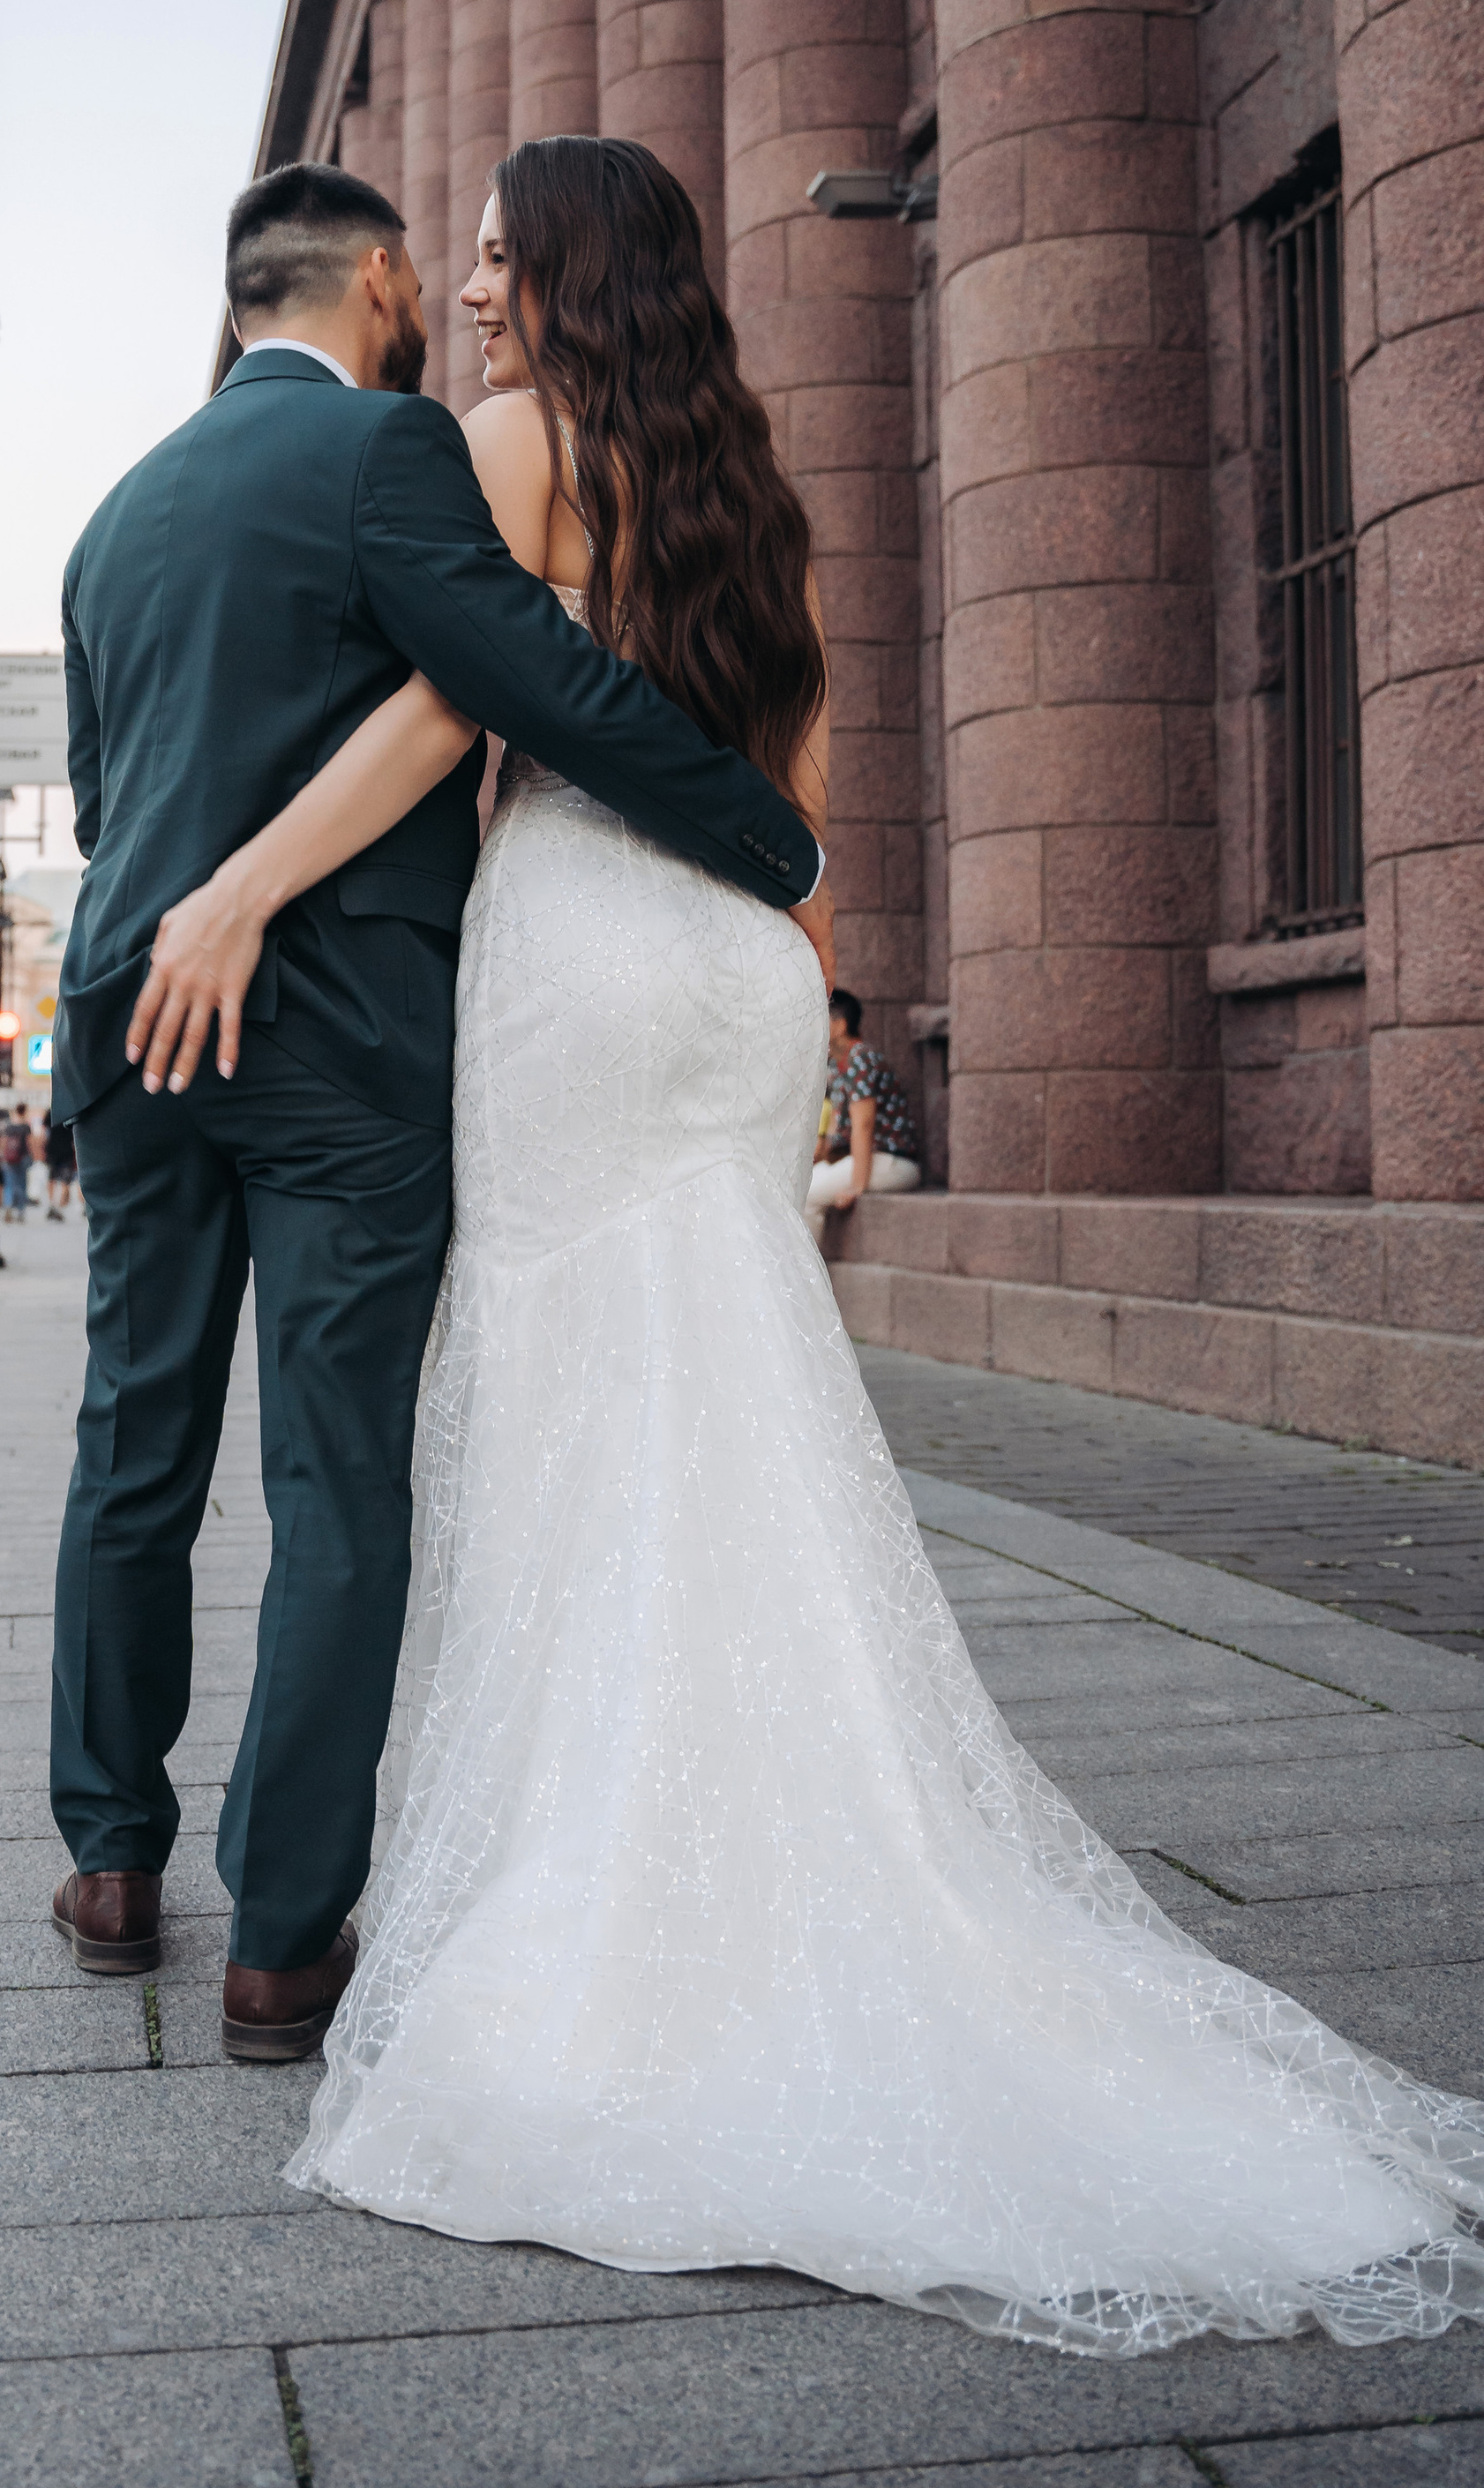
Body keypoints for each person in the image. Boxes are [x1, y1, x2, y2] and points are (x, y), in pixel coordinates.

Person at [134, 134, 1484, 2355]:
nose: (463, 296)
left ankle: (615, 1912)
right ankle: (820, 1852)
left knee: (579, 1413)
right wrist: (826, 1031)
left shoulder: (503, 439)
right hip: (738, 977)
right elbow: (799, 803)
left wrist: (240, 881)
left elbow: (453, 700)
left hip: (576, 945)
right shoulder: (747, 489)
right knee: (735, 1402)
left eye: (490, 259)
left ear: (566, 271)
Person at [46, 158, 828, 2061]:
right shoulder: (398, 459)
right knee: (332, 1477)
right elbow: (510, 683)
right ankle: (280, 1942)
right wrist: (766, 841)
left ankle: (111, 1860)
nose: (459, 299)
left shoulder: (111, 515)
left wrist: (186, 906)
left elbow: (95, 797)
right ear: (379, 280)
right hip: (336, 1024)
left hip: (129, 1003)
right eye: (443, 268)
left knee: (132, 1434)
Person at [806, 986, 921, 1240]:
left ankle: (803, 1276)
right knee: (799, 1186)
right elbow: (838, 1124)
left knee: (807, 1194)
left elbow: (864, 1123)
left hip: (893, 1162)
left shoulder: (860, 1057)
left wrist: (857, 1186)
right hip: (866, 1160)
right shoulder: (837, 1064)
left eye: (818, 1019)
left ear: (839, 1025)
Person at [42, 1113, 79, 1220]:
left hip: (53, 1149)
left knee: (52, 1178)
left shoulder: (50, 1112)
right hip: (66, 1150)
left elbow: (45, 1132)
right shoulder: (69, 1111)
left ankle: (52, 1204)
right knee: (65, 1180)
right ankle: (59, 1207)